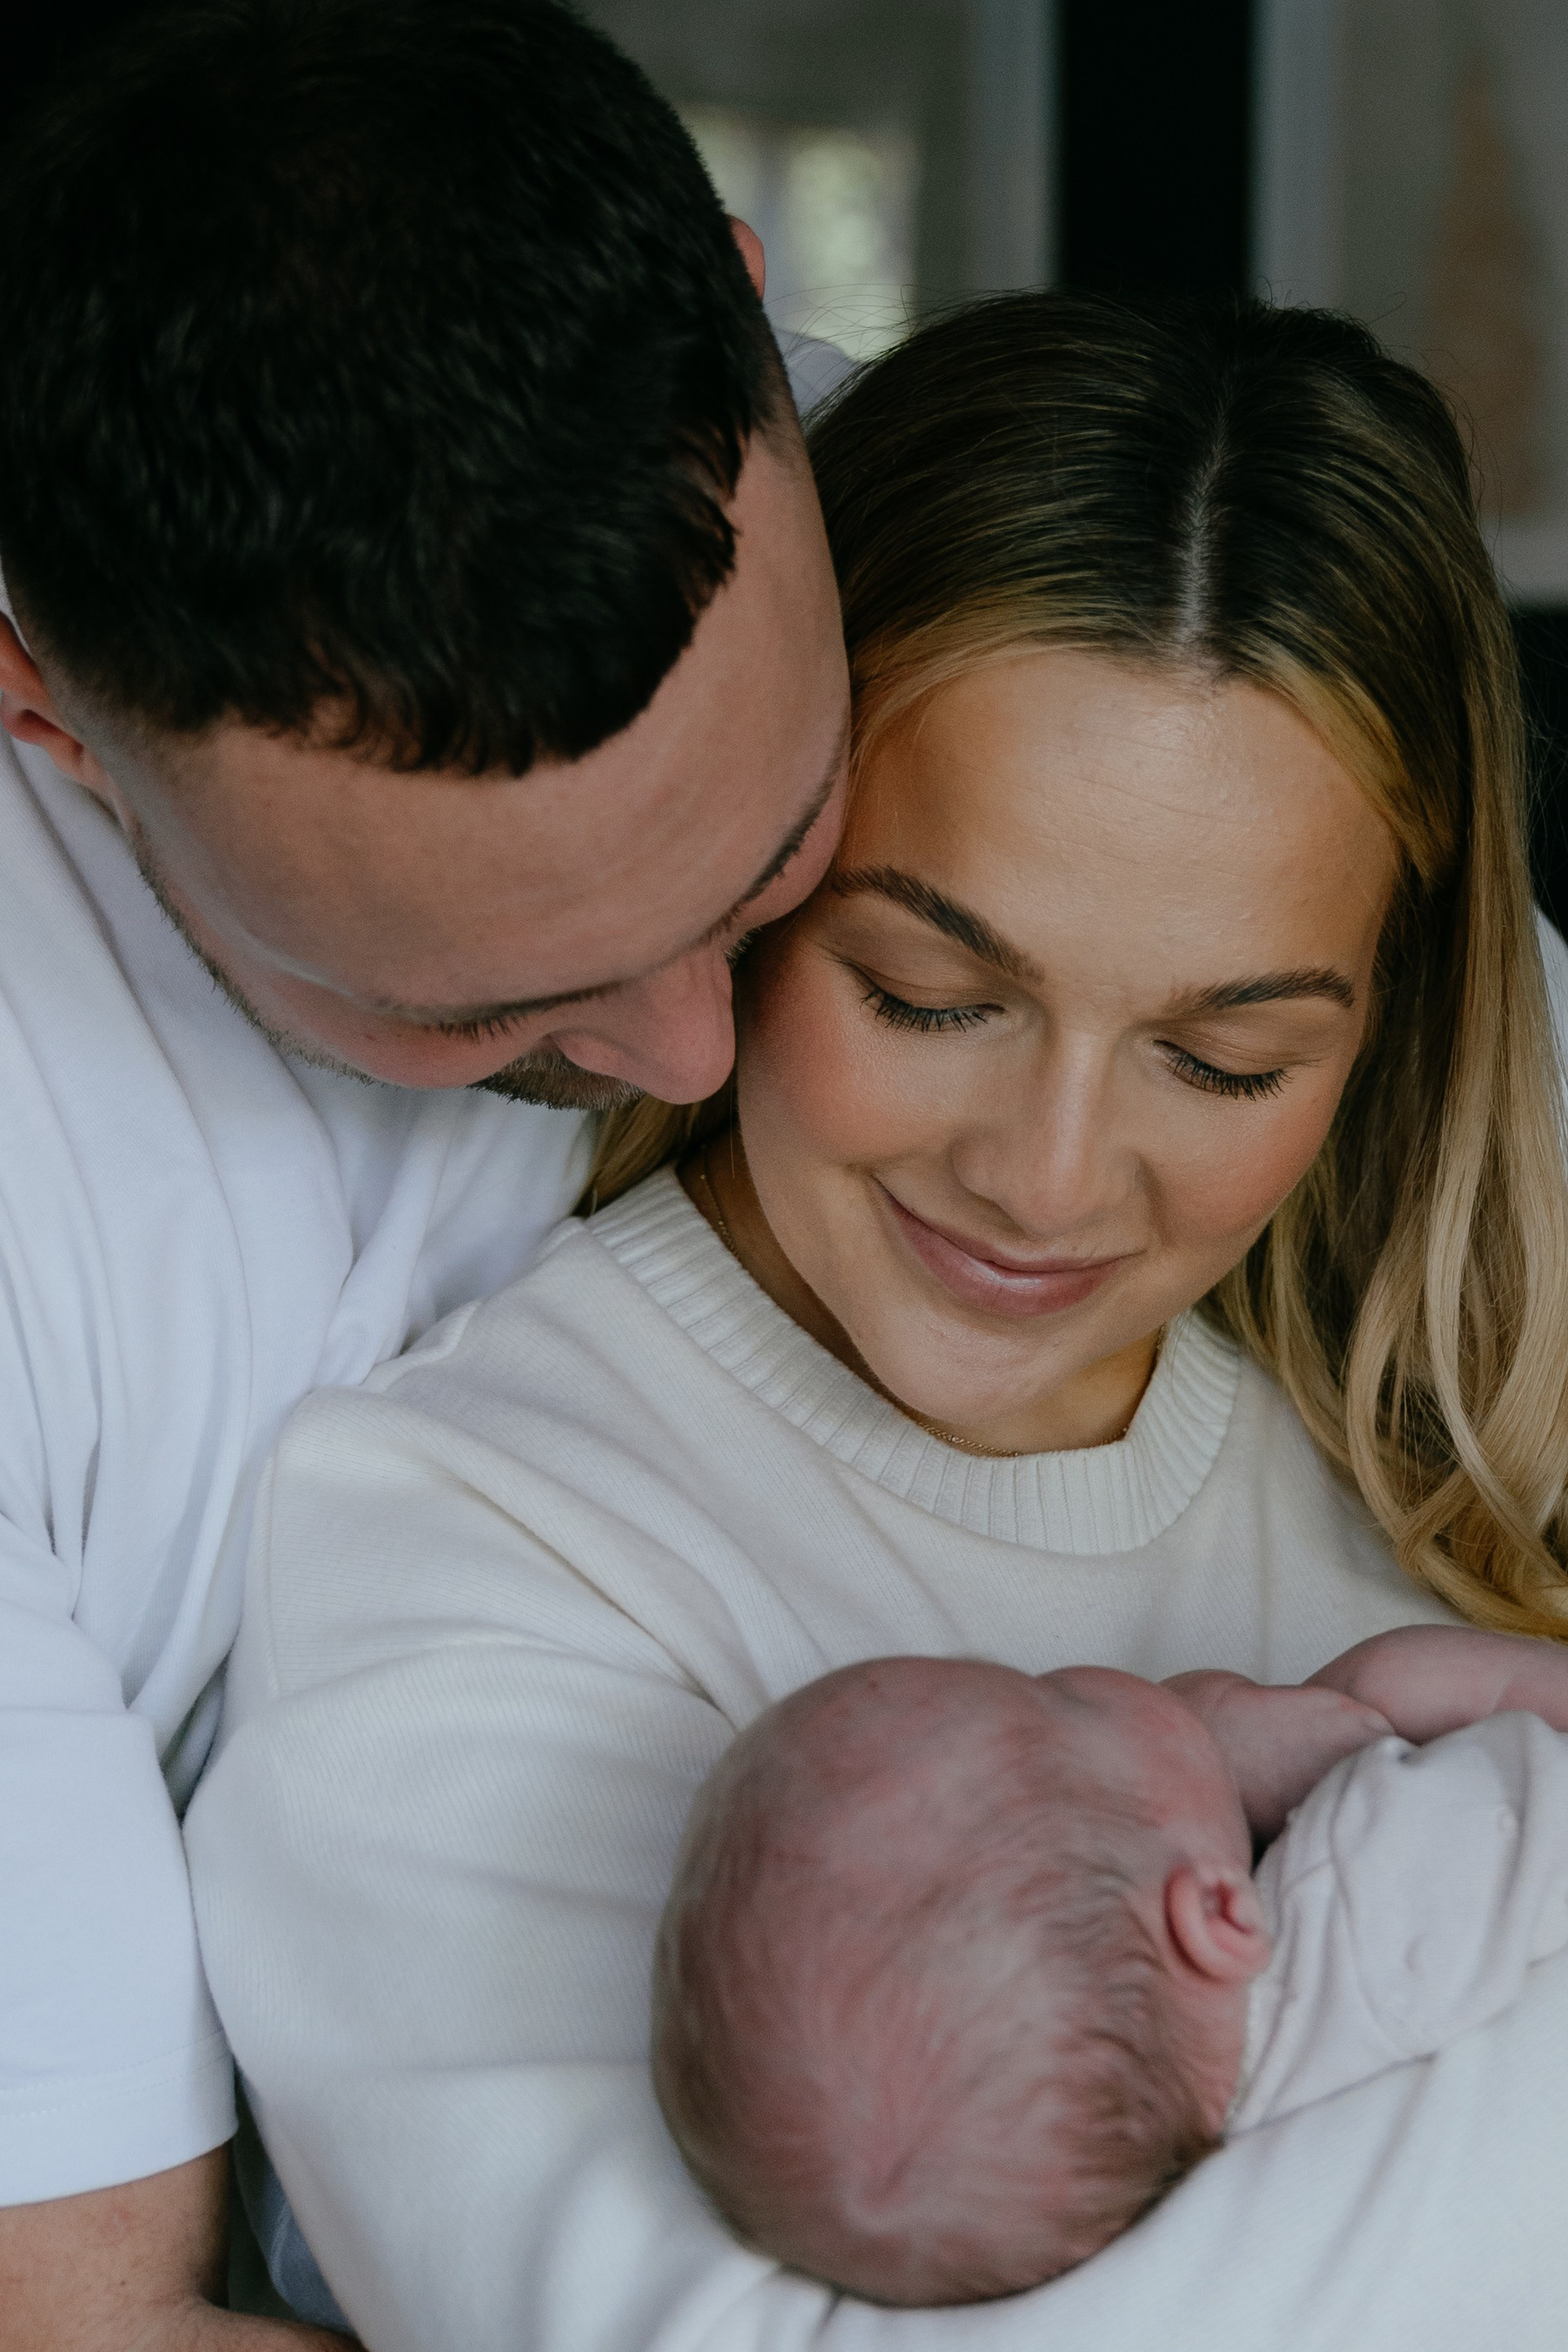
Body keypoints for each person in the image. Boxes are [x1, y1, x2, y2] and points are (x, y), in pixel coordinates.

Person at [186, 288, 1568, 2352]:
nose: (1048, 1177)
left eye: (1227, 1057)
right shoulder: (480, 1536)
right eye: (928, 997)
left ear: (1383, 1031)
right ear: (750, 877)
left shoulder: (1445, 1463)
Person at [0, 0, 849, 2341]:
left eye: (785, 847)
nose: (696, 1049)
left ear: (760, 320)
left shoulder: (1007, 540)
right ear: (46, 710)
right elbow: (91, 2321)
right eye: (482, 1014)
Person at [652, 1629, 1568, 2304]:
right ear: (1216, 1915)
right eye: (1062, 1701)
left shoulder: (1225, 2213)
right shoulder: (1370, 1871)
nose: (1088, 1673)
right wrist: (1374, 1686)